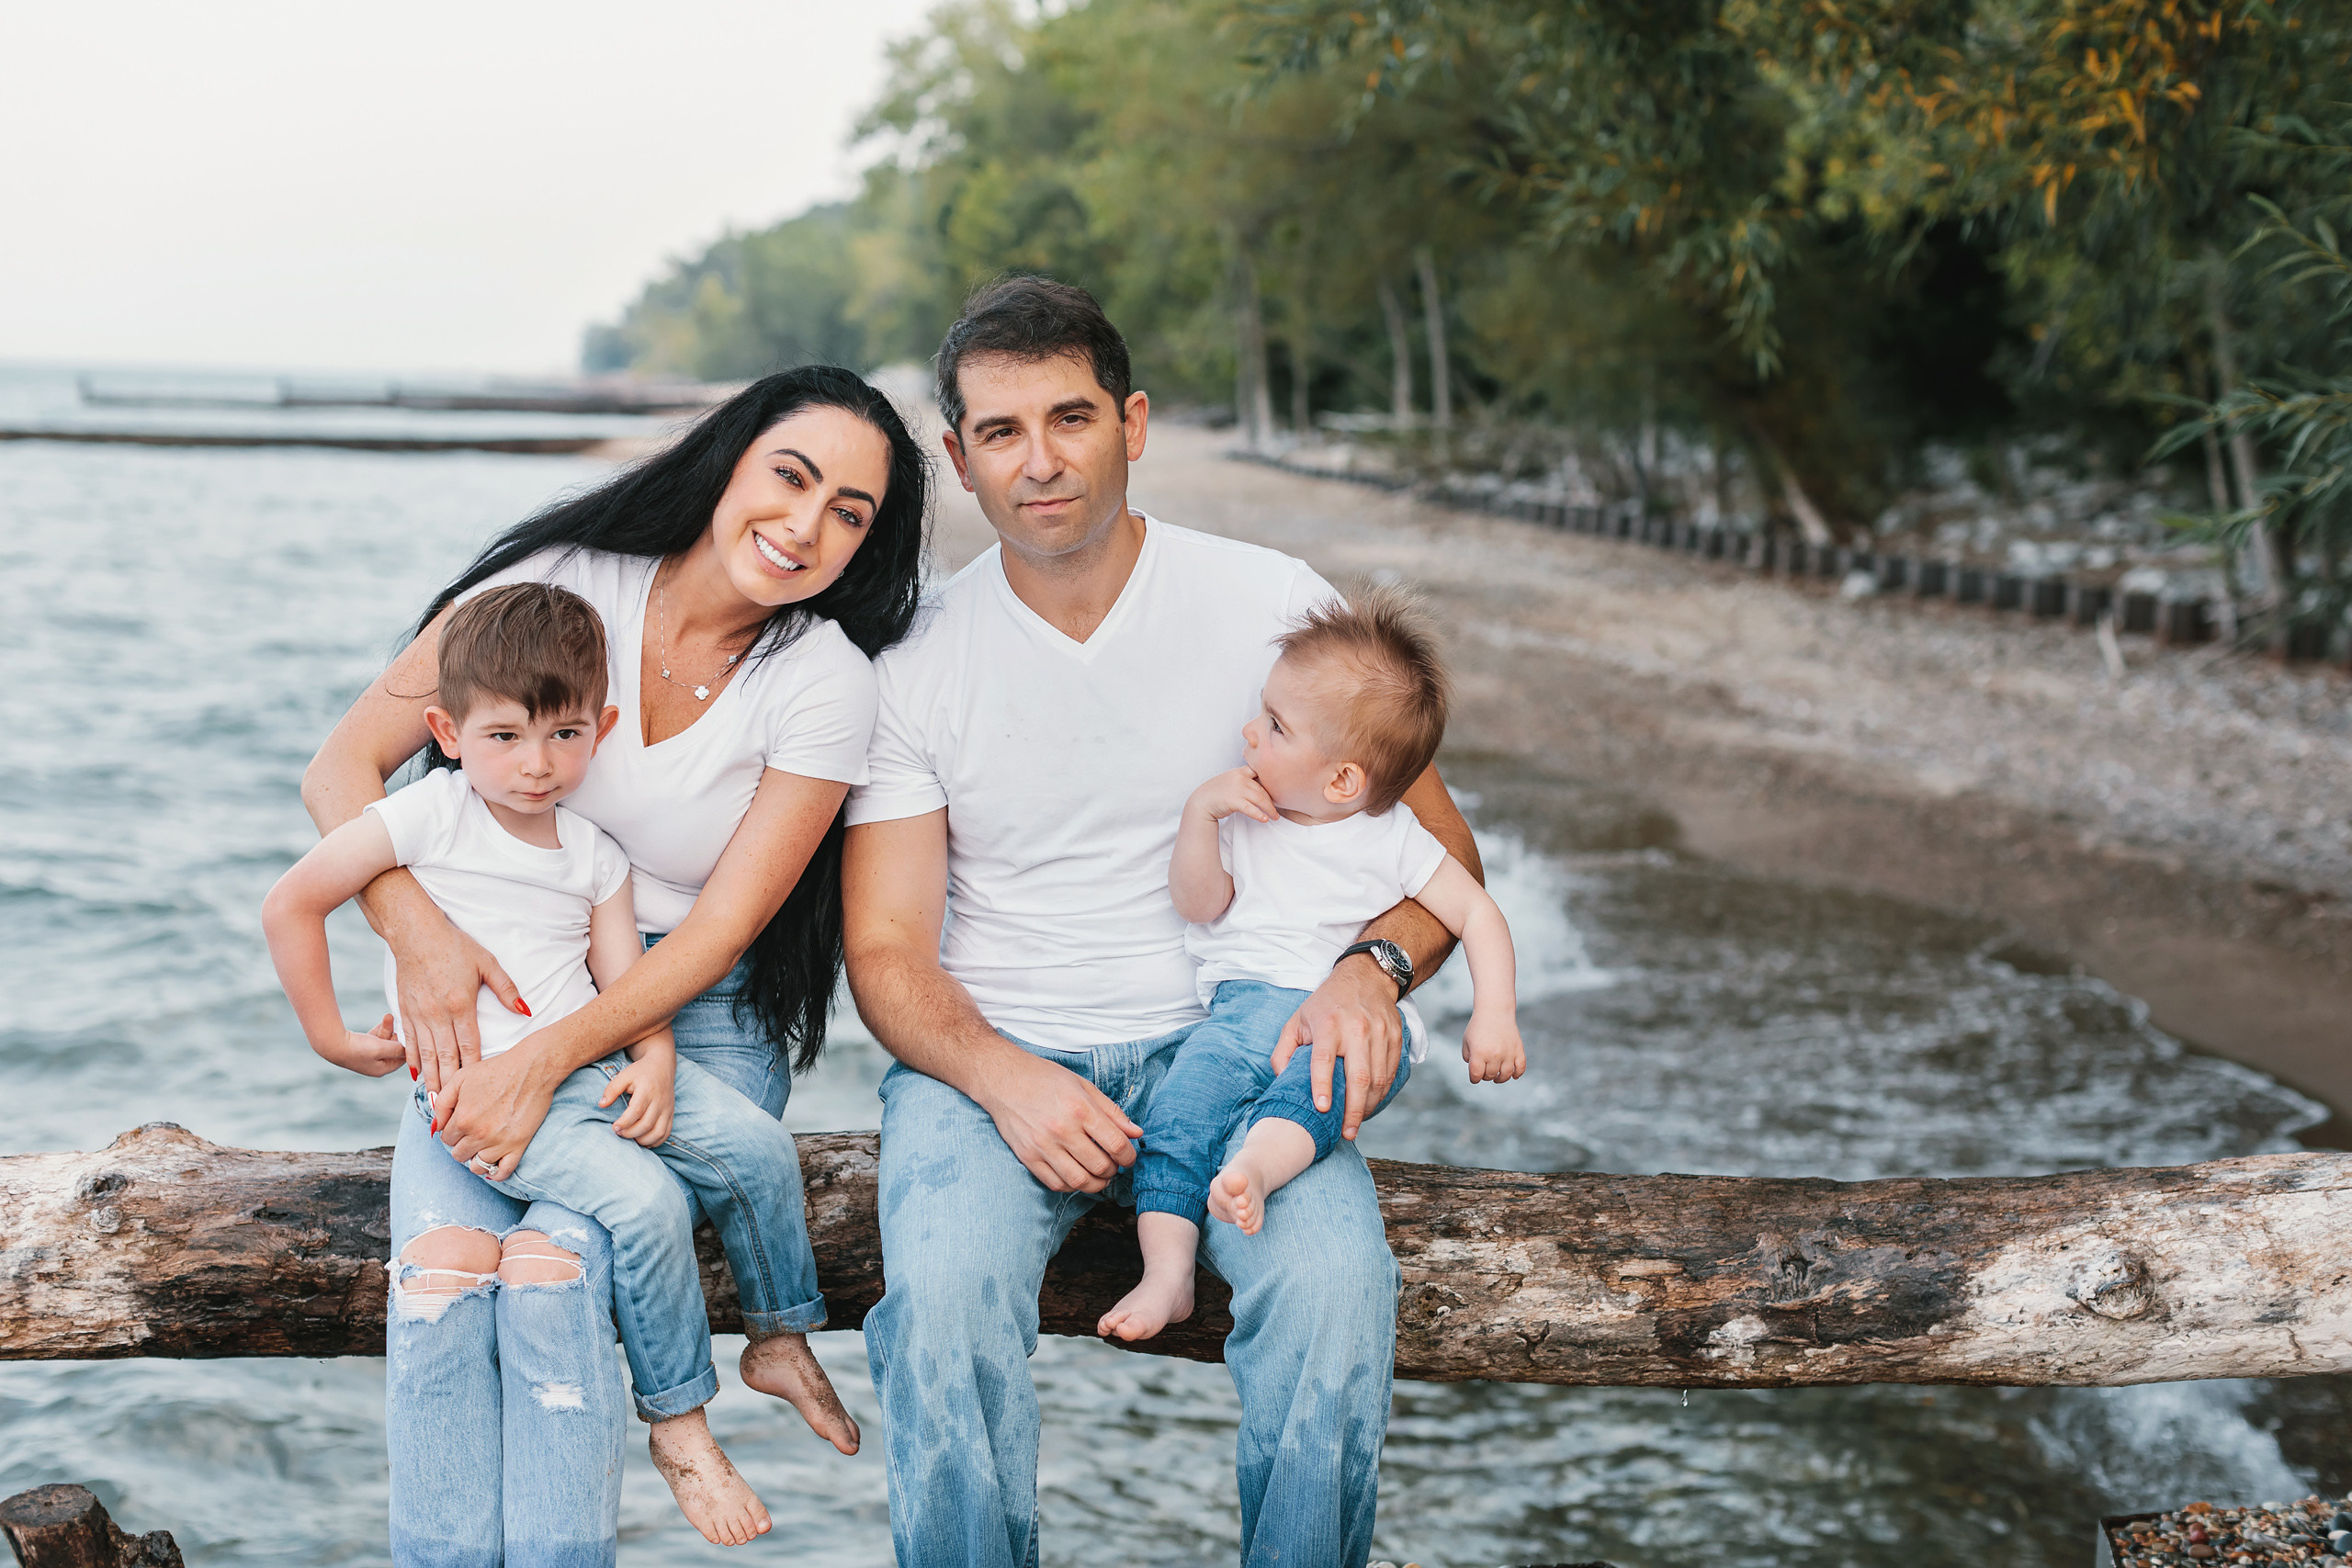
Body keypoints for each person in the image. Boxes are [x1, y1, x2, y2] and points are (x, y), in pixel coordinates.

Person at [841, 276, 1484, 1568]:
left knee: (1337, 1292)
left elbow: (1443, 857)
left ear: (1134, 421)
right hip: (995, 1067)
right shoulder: (912, 657)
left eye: (1070, 417)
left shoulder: (1271, 607)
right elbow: (889, 953)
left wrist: (1369, 970)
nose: (1043, 460)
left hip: (1241, 1052)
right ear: (958, 460)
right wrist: (1007, 1078)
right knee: (943, 1304)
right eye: (1003, 432)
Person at [300, 366, 928, 1567]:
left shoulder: (824, 679)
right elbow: (342, 770)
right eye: (791, 476)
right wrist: (421, 940)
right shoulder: (555, 589)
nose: (805, 525)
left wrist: (551, 1055)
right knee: (436, 1288)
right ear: (730, 459)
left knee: (550, 1274)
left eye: (849, 512)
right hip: (503, 986)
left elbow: (715, 934)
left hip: (691, 1017)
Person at [266, 582, 854, 1546]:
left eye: (563, 736)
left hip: (583, 1074)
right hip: (478, 1102)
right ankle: (678, 1421)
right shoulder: (428, 819)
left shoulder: (593, 852)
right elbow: (289, 903)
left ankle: (779, 1336)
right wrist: (328, 1034)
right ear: (446, 731)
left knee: (757, 1146)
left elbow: (632, 981)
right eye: (504, 738)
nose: (536, 766)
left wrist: (657, 1058)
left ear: (601, 727)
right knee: (646, 1204)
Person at [1096, 589, 1525, 1342]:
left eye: (1275, 725)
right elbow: (1199, 904)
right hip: (1235, 1022)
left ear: (1341, 782)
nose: (1248, 731)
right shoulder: (1246, 813)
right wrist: (1201, 815)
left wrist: (1495, 1013)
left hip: (1350, 1031)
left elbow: (1478, 913)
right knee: (1173, 1123)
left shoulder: (1391, 838)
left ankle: (1258, 1168)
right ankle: (1167, 1274)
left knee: (1314, 1094)